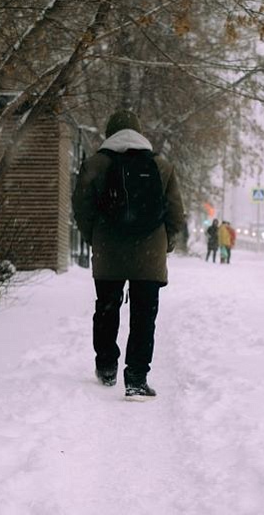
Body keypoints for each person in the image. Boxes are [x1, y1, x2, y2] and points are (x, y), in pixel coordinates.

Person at [71, 109, 185, 400]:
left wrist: (93, 238)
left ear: (110, 133)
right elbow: (176, 214)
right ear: (139, 131)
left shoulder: (96, 164)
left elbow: (82, 209)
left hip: (109, 250)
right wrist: (165, 244)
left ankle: (107, 366)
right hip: (150, 253)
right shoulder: (161, 165)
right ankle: (136, 377)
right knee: (144, 315)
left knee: (107, 308)